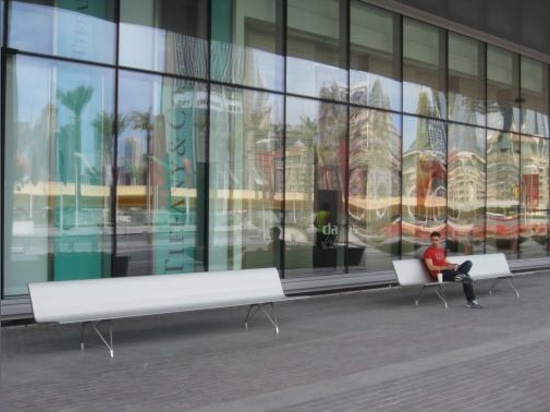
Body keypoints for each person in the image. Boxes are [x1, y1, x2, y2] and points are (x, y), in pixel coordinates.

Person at [423, 231, 483, 309]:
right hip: (440, 274)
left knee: (468, 263)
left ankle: (460, 275)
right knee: (466, 276)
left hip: (449, 271)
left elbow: (445, 262)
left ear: (439, 240)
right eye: (433, 240)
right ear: (430, 240)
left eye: (436, 240)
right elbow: (431, 267)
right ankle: (471, 301)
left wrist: (453, 265)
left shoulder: (440, 250)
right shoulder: (428, 252)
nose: (434, 242)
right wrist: (447, 268)